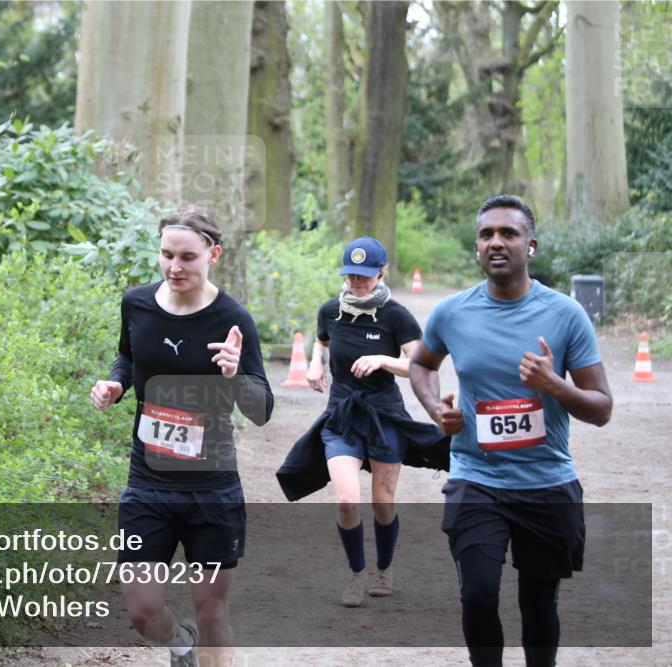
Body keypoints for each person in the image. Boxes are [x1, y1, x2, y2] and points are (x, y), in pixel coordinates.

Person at [409, 194, 613, 667]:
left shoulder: (565, 314)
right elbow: (421, 364)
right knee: (478, 595)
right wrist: (435, 408)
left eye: (508, 233)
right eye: (486, 234)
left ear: (531, 245)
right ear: (477, 248)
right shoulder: (453, 312)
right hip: (475, 478)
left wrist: (554, 386)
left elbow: (602, 409)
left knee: (538, 603)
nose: (495, 242)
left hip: (545, 482)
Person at [90, 205, 274, 667]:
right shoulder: (136, 303)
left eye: (187, 257)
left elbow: (262, 409)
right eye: (167, 254)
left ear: (213, 254)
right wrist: (117, 383)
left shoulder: (233, 319)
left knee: (211, 611)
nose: (175, 266)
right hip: (148, 482)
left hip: (211, 487)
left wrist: (235, 375)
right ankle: (180, 647)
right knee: (142, 610)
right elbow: (129, 358)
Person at [278, 237, 449, 608]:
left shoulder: (396, 316)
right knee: (345, 500)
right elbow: (322, 342)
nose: (357, 282)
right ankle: (356, 574)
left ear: (381, 273)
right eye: (351, 275)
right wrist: (314, 363)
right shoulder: (330, 311)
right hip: (341, 415)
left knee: (383, 503)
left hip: (384, 414)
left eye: (365, 276)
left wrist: (383, 360)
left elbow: (422, 366)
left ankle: (384, 571)